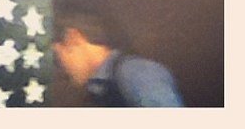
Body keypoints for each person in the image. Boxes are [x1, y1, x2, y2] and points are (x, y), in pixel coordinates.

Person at [53, 10, 185, 107]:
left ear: (73, 38)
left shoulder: (135, 72)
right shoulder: (100, 90)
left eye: (58, 58)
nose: (61, 69)